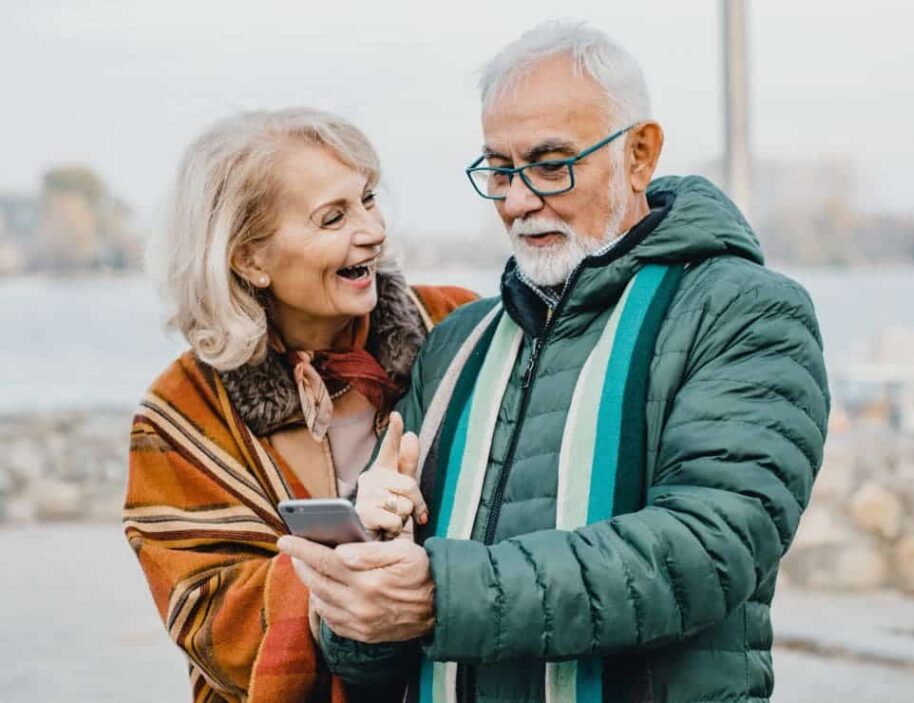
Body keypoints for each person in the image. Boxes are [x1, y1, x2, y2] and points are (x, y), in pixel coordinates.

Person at [281, 21, 830, 702]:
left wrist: (439, 593)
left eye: (549, 165)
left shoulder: (741, 311)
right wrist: (362, 574)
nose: (516, 200)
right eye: (499, 170)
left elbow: (704, 551)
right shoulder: (458, 343)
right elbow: (368, 661)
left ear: (639, 154)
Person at [122, 108, 476, 703]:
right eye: (333, 217)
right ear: (249, 259)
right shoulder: (179, 415)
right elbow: (208, 624)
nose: (372, 230)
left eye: (367, 199)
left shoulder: (459, 325)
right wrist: (352, 539)